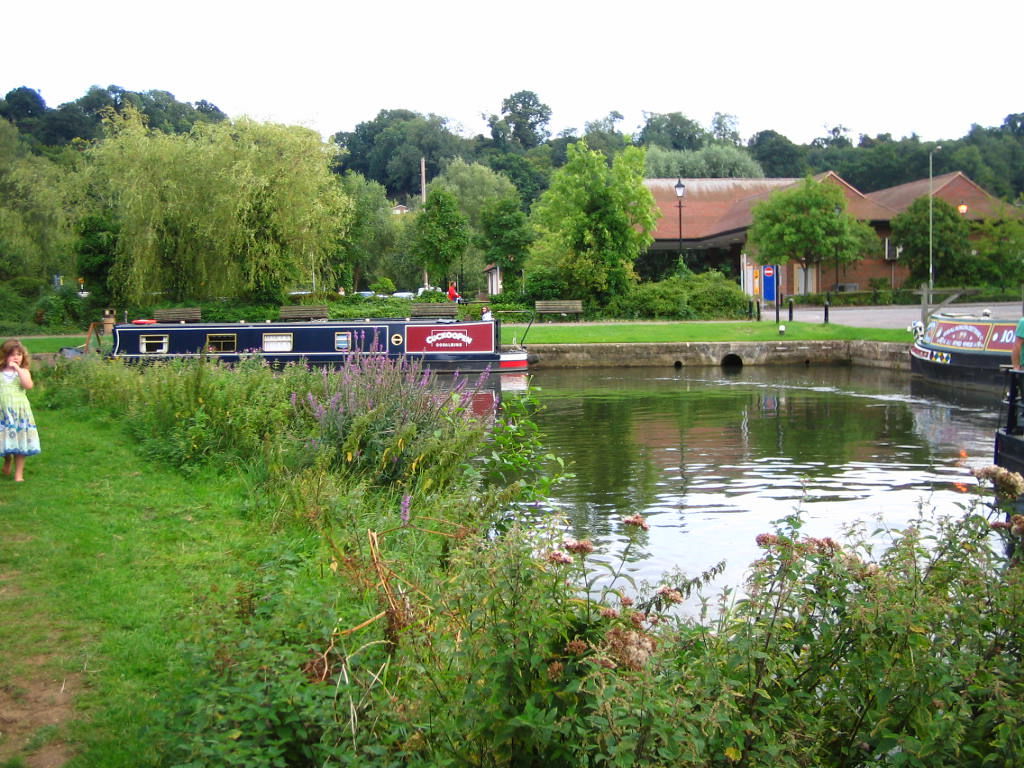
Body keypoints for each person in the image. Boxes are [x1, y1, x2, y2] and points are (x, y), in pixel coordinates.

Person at [0, 340, 40, 482]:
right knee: (3, 441)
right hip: (3, 414)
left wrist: (18, 369)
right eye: (12, 355)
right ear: (4, 356)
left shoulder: (23, 372)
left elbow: (28, 385)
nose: (16, 357)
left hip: (19, 413)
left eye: (19, 354)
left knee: (19, 442)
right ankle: (7, 459)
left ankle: (18, 474)